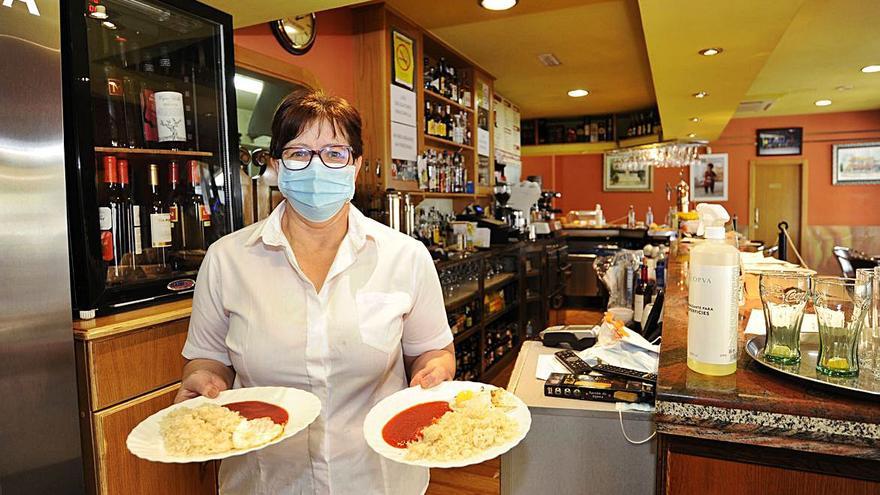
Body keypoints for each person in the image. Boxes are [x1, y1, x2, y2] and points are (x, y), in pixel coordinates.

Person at [176, 88, 455, 494]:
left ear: (356, 166)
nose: (316, 167)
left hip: (377, 480)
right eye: (299, 153)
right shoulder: (227, 260)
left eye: (335, 153)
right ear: (277, 165)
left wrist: (436, 370)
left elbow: (432, 350)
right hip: (266, 481)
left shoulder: (405, 257)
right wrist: (203, 379)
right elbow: (207, 360)